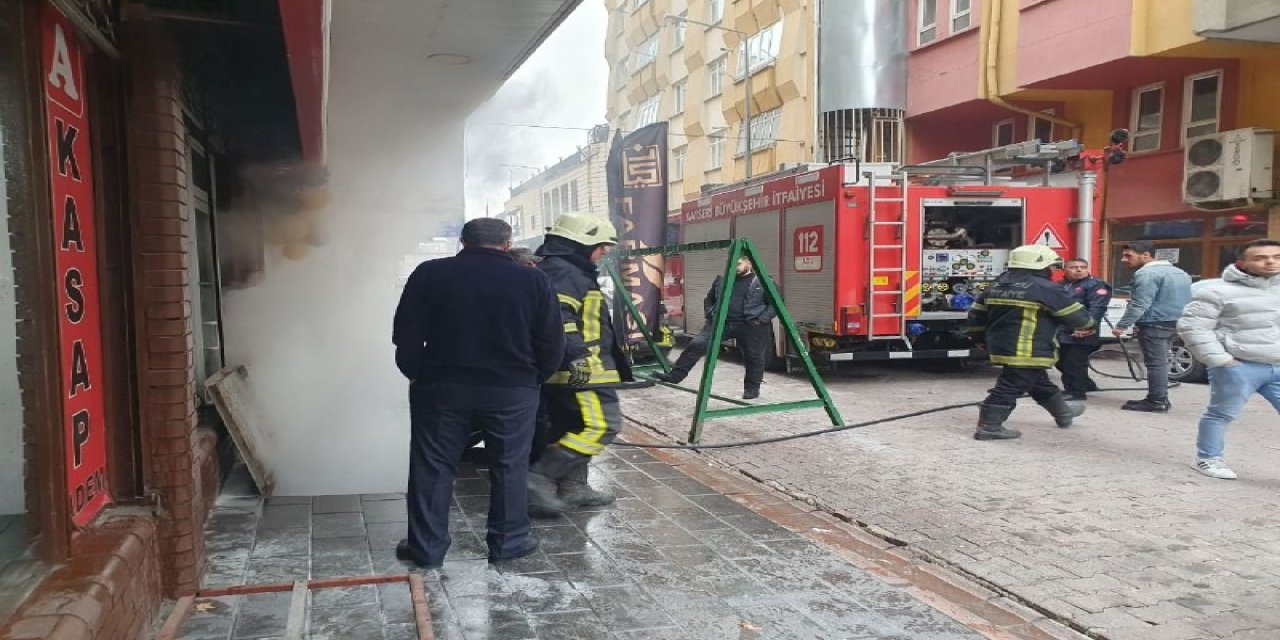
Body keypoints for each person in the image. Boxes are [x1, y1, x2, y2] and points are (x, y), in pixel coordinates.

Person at [392, 218, 564, 568]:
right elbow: (551, 340)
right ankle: (509, 542)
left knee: (433, 467)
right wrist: (533, 379)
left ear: (463, 242)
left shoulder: (429, 274)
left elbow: (406, 335)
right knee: (509, 466)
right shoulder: (532, 279)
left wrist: (418, 375)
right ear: (507, 243)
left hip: (441, 388)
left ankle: (426, 548)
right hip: (512, 391)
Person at [528, 212, 633, 512]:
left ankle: (574, 487)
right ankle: (538, 476)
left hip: (570, 370)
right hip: (585, 370)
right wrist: (579, 358)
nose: (604, 252)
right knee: (604, 425)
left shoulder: (563, 269)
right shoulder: (564, 273)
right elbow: (559, 319)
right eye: (600, 246)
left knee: (570, 426)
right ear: (578, 243)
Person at [967, 244, 1096, 440]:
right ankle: (989, 426)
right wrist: (1088, 324)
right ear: (1041, 265)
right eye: (1052, 266)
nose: (1054, 270)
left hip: (1000, 345)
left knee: (1038, 382)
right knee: (1010, 385)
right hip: (1028, 348)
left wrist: (979, 339)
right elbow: (1080, 320)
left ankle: (1064, 413)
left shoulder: (997, 284)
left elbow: (976, 315)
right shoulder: (1045, 288)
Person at [1177, 239, 1280, 479]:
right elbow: (1193, 327)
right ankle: (1208, 458)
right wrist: (1221, 360)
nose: (1269, 262)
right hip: (1239, 366)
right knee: (1222, 414)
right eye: (1260, 257)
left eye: (1276, 257)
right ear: (1241, 262)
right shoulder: (1217, 292)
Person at [653, 256, 777, 400]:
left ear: (749, 263)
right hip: (721, 323)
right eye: (731, 262)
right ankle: (674, 376)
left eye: (738, 263)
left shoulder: (763, 281)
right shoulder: (722, 280)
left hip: (750, 325)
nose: (734, 266)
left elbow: (775, 304)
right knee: (696, 344)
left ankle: (752, 390)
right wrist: (710, 314)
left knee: (753, 357)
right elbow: (709, 299)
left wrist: (761, 320)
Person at [1111, 240, 1192, 412]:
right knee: (1161, 362)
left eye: (1128, 255)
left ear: (1146, 255)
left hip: (1154, 324)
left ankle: (1156, 401)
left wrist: (1121, 325)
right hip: (1175, 322)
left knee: (1156, 364)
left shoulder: (1146, 274)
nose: (1124, 260)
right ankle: (1159, 398)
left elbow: (1140, 304)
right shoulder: (1180, 272)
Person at [1054, 259, 1112, 400]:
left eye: (1083, 267)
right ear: (1064, 269)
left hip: (1083, 331)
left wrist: (1087, 327)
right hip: (1061, 331)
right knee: (1060, 361)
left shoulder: (1095, 285)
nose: (1079, 270)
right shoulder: (1059, 286)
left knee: (1073, 362)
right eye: (1074, 267)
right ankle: (1085, 384)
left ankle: (1075, 392)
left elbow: (1096, 308)